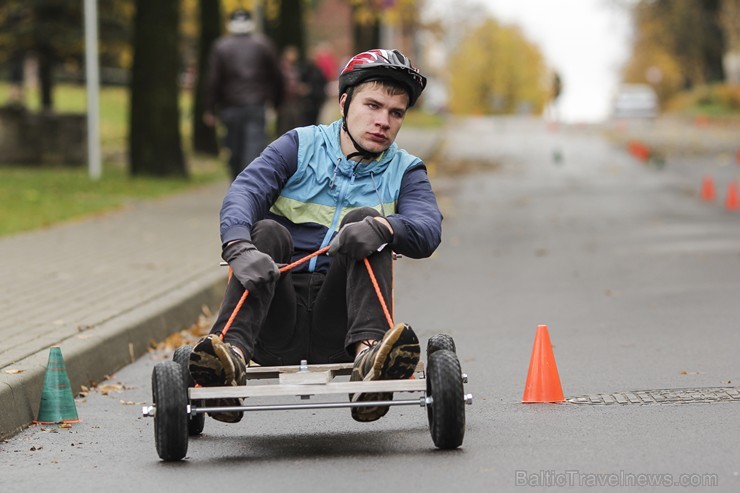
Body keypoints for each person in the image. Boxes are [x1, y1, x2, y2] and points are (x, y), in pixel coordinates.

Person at [189, 49, 442, 425]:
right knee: (267, 231)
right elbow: (245, 192)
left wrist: (385, 228)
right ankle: (229, 359)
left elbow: (427, 229)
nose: (383, 121)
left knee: (367, 223)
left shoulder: (405, 170)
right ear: (344, 102)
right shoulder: (299, 145)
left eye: (395, 112)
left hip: (343, 328)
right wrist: (239, 247)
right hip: (275, 316)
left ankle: (370, 360)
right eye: (372, 105)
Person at [203, 9, 284, 180]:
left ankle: (238, 187)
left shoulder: (221, 46)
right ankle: (249, 190)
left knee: (234, 150)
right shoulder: (263, 45)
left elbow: (214, 80)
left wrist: (210, 108)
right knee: (253, 150)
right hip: (256, 105)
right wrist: (276, 103)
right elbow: (276, 76)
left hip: (230, 107)